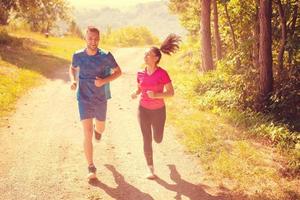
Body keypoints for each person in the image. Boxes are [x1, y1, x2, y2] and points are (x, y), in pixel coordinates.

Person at [69, 26, 122, 180]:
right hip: (84, 97)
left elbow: (118, 72)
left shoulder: (106, 56)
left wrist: (104, 81)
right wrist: (73, 81)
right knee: (87, 133)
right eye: (90, 38)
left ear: (99, 39)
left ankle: (98, 130)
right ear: (85, 38)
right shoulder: (78, 55)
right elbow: (72, 68)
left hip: (100, 98)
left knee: (100, 128)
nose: (93, 41)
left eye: (96, 38)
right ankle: (91, 166)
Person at [131, 34, 180, 179]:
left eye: (148, 55)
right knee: (147, 139)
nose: (145, 57)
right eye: (145, 54)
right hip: (143, 109)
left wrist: (157, 95)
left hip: (159, 111)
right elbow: (140, 88)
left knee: (157, 138)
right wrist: (135, 92)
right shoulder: (140, 73)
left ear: (156, 58)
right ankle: (150, 168)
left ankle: (173, 170)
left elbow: (171, 93)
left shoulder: (162, 73)